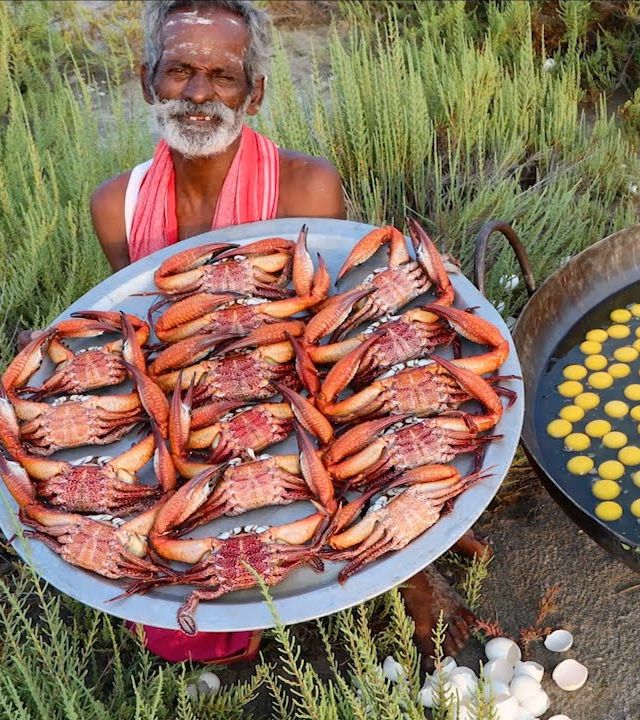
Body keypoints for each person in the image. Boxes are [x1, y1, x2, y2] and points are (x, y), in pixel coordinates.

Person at [88, 0, 487, 665]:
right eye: (179, 70)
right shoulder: (116, 206)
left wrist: (413, 556)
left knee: (375, 404)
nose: (198, 93)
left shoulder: (306, 188)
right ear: (146, 80)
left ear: (256, 91)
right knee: (189, 635)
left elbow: (340, 355)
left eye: (223, 75)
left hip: (304, 393)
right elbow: (146, 339)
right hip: (198, 407)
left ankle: (414, 569)